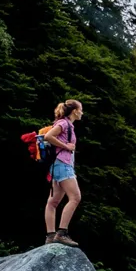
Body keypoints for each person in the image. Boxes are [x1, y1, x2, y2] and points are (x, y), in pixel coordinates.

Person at [43, 99, 83, 247]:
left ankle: (50, 236)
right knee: (75, 197)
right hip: (62, 165)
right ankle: (62, 233)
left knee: (53, 202)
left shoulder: (67, 125)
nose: (82, 113)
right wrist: (66, 146)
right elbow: (48, 137)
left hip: (59, 165)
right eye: (81, 109)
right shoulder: (64, 124)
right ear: (75, 111)